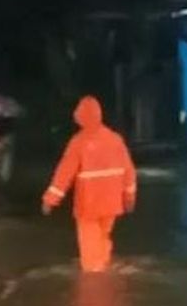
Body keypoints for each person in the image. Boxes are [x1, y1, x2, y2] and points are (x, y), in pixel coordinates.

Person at [41, 96, 137, 273]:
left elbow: (64, 174)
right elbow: (129, 171)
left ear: (79, 116)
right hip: (112, 204)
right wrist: (129, 198)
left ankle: (94, 287)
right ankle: (107, 276)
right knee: (103, 240)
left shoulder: (79, 142)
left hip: (89, 206)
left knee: (91, 257)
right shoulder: (115, 139)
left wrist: (49, 200)